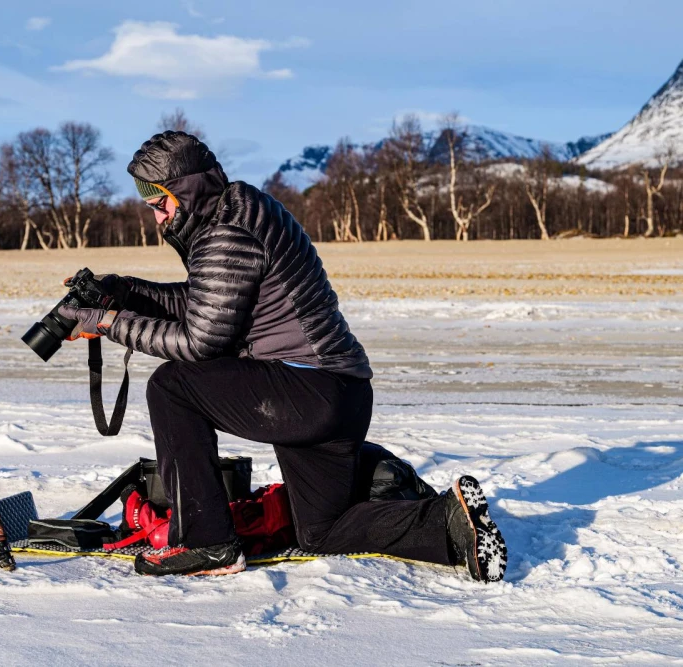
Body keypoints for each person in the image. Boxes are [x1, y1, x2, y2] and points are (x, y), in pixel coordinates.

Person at [58, 131, 507, 581]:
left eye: (161, 205)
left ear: (186, 193)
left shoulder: (226, 233)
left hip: (306, 390)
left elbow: (200, 343)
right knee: (323, 532)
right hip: (338, 396)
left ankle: (207, 543)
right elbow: (210, 303)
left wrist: (108, 323)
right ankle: (444, 521)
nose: (158, 219)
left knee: (173, 386)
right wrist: (124, 292)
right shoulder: (240, 210)